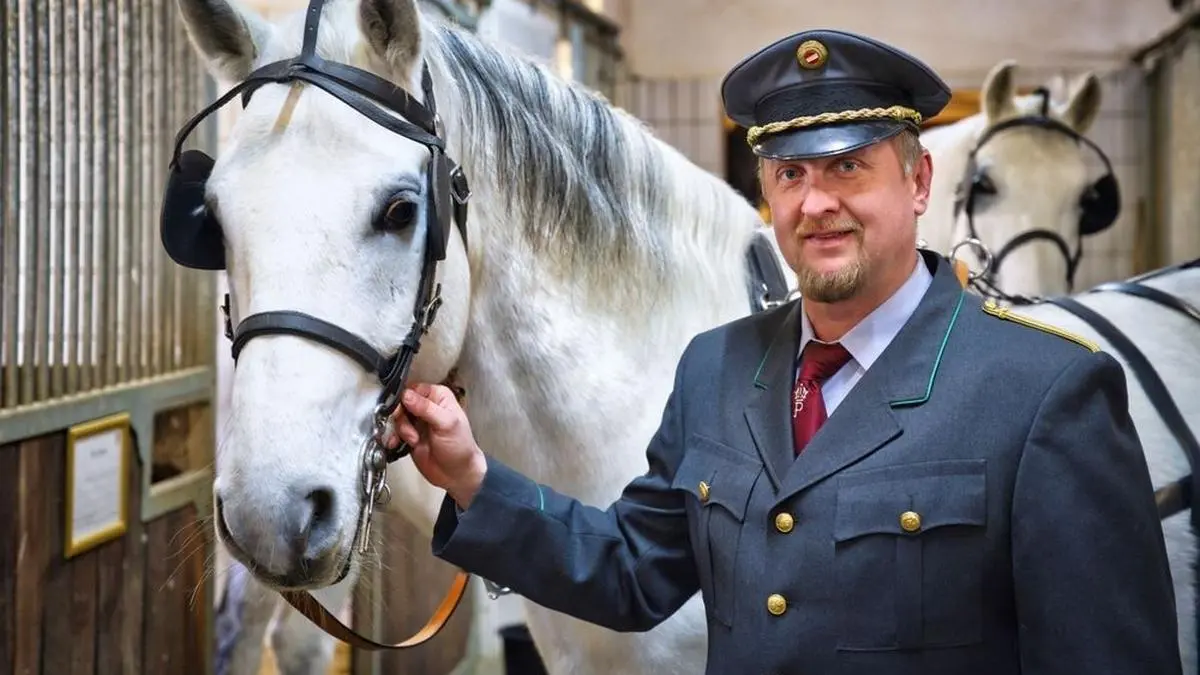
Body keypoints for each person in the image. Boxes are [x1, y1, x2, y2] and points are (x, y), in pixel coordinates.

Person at [382, 29, 1181, 674]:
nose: (817, 202)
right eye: (790, 171)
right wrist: (472, 478)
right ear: (765, 191)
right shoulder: (717, 369)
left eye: (848, 167)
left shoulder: (1045, 390)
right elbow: (631, 568)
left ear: (918, 182)